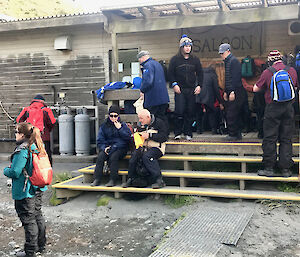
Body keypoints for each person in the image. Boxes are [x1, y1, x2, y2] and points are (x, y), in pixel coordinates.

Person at [4, 122, 47, 257]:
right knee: (37, 215)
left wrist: (6, 170)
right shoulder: (38, 146)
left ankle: (30, 251)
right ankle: (41, 246)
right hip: (38, 187)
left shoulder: (23, 150)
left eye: (16, 132)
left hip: (26, 191)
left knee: (29, 220)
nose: (15, 135)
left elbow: (15, 172)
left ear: (22, 134)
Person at [253, 50, 299, 177]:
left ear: (270, 60)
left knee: (270, 137)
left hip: (272, 108)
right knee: (286, 138)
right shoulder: (292, 70)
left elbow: (256, 89)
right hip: (288, 107)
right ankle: (286, 170)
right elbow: (295, 88)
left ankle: (269, 168)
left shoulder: (268, 72)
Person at [168, 34, 203, 140]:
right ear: (181, 47)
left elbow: (201, 73)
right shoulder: (175, 60)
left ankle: (188, 133)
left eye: (189, 46)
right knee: (179, 111)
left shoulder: (195, 59)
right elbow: (170, 74)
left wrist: (199, 85)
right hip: (180, 90)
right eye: (185, 46)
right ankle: (177, 132)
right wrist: (174, 84)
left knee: (190, 111)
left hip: (191, 89)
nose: (188, 48)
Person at [122, 109, 168, 189]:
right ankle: (130, 178)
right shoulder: (140, 125)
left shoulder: (159, 123)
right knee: (134, 156)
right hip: (144, 147)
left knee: (147, 156)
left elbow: (164, 137)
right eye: (139, 118)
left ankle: (159, 180)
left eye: (141, 118)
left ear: (148, 117)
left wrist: (149, 136)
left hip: (157, 147)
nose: (140, 120)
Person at [91, 105, 132, 187]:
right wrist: (104, 148)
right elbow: (100, 140)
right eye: (111, 116)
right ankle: (97, 179)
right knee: (100, 157)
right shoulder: (104, 126)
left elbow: (127, 138)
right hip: (108, 147)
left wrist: (120, 129)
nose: (113, 118)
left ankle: (113, 179)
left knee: (114, 157)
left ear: (118, 116)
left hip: (120, 148)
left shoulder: (123, 125)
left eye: (115, 116)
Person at [16, 95, 56, 165]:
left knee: (31, 155)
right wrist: (48, 130)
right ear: (43, 101)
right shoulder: (46, 110)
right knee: (45, 155)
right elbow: (52, 122)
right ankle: (45, 172)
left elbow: (19, 120)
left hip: (29, 137)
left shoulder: (26, 109)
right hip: (43, 137)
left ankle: (32, 172)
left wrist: (26, 129)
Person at [218, 43, 247, 140]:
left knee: (231, 113)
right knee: (234, 112)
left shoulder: (233, 61)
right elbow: (228, 78)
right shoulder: (228, 61)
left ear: (228, 51)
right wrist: (226, 91)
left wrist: (232, 91)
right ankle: (236, 134)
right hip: (231, 90)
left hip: (236, 90)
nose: (221, 55)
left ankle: (233, 134)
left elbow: (236, 78)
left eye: (222, 53)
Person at [137, 51, 169, 125]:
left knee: (153, 118)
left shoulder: (147, 65)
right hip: (163, 97)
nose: (140, 61)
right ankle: (164, 133)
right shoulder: (157, 64)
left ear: (143, 57)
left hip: (153, 98)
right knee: (162, 117)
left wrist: (142, 90)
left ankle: (156, 134)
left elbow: (148, 81)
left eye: (140, 59)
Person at [196, 65, 224, 134]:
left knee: (198, 113)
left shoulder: (199, 75)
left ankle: (199, 130)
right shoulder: (212, 75)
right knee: (211, 113)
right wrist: (220, 102)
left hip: (197, 96)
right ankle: (213, 129)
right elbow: (216, 89)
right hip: (208, 97)